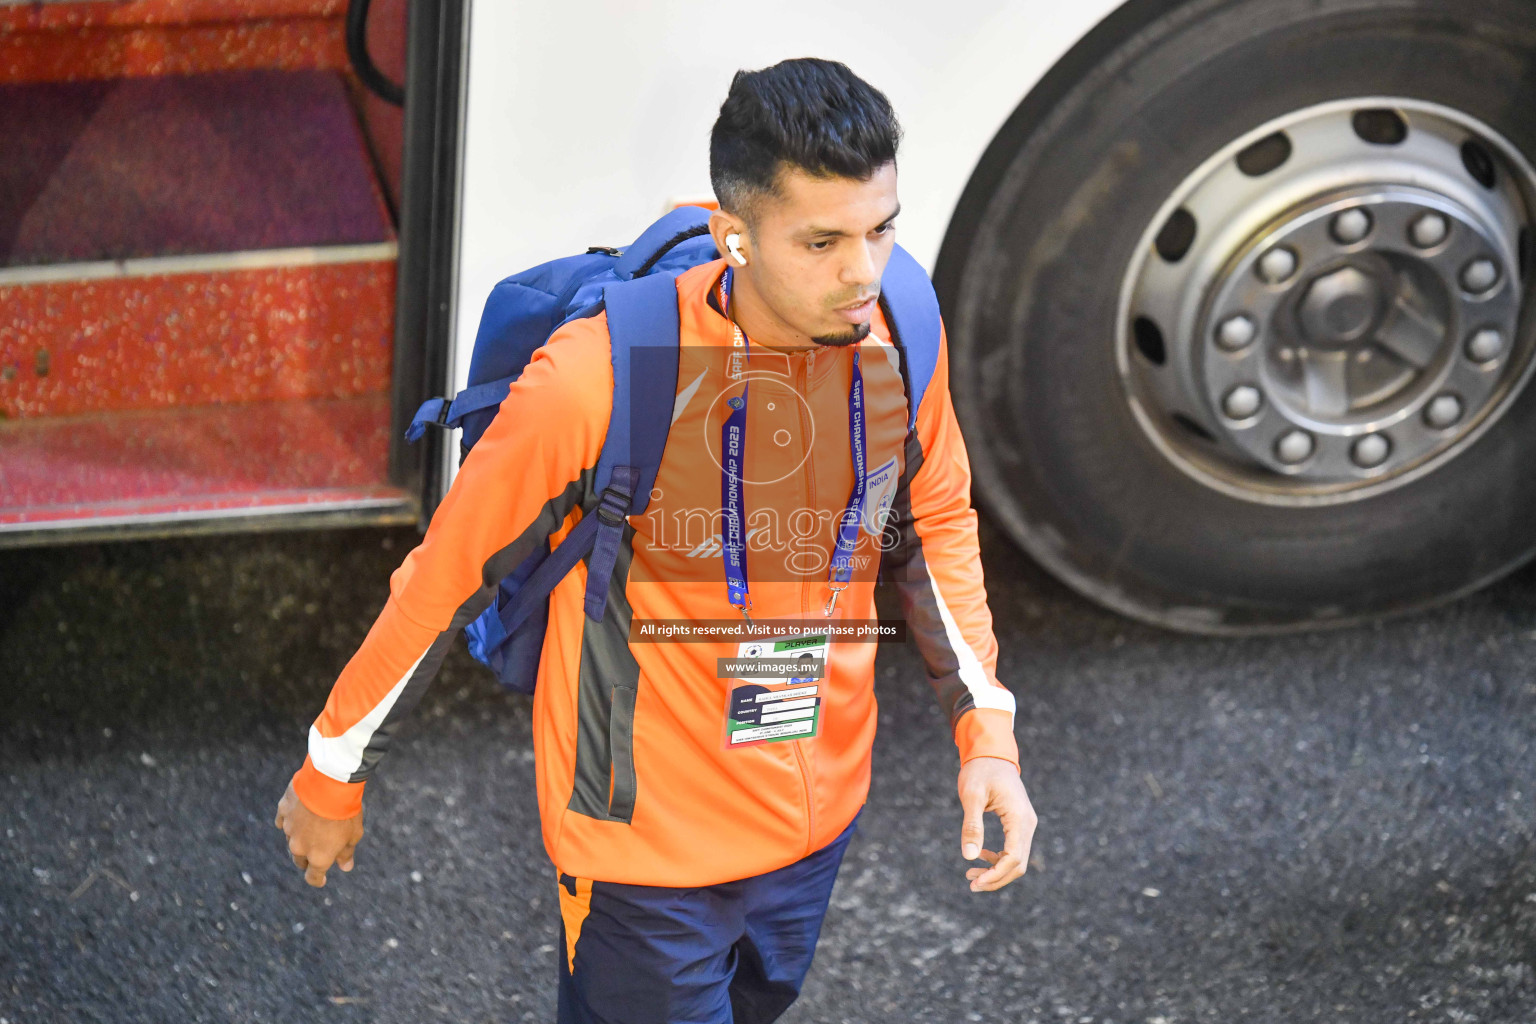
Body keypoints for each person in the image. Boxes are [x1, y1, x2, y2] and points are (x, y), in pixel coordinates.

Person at [274, 57, 1037, 1024]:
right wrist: (329, 774)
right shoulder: (597, 381)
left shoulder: (896, 329)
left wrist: (989, 739)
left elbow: (933, 529)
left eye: (882, 228)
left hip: (815, 828)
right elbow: (443, 583)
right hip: (642, 859)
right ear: (736, 238)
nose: (864, 271)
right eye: (822, 241)